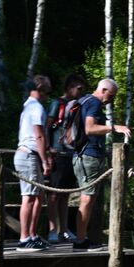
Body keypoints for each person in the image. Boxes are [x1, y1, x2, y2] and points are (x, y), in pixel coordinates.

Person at [73, 78, 131, 251]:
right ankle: (80, 241)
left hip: (81, 155)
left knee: (89, 200)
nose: (111, 100)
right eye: (111, 96)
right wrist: (114, 128)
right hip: (88, 155)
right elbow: (89, 128)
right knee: (87, 200)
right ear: (104, 90)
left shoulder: (82, 100)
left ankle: (83, 239)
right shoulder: (94, 103)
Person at [45, 74, 86, 244]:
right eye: (79, 88)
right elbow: (46, 126)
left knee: (65, 194)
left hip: (70, 153)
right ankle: (52, 229)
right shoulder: (57, 104)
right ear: (70, 87)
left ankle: (64, 229)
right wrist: (47, 149)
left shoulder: (77, 106)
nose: (81, 91)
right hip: (57, 153)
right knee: (54, 194)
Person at [14, 75, 53, 252]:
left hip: (30, 155)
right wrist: (45, 160)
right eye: (47, 91)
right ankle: (24, 239)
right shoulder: (36, 107)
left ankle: (31, 235)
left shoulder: (28, 105)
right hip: (28, 155)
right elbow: (38, 135)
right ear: (41, 89)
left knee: (37, 196)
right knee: (28, 197)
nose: (48, 95)